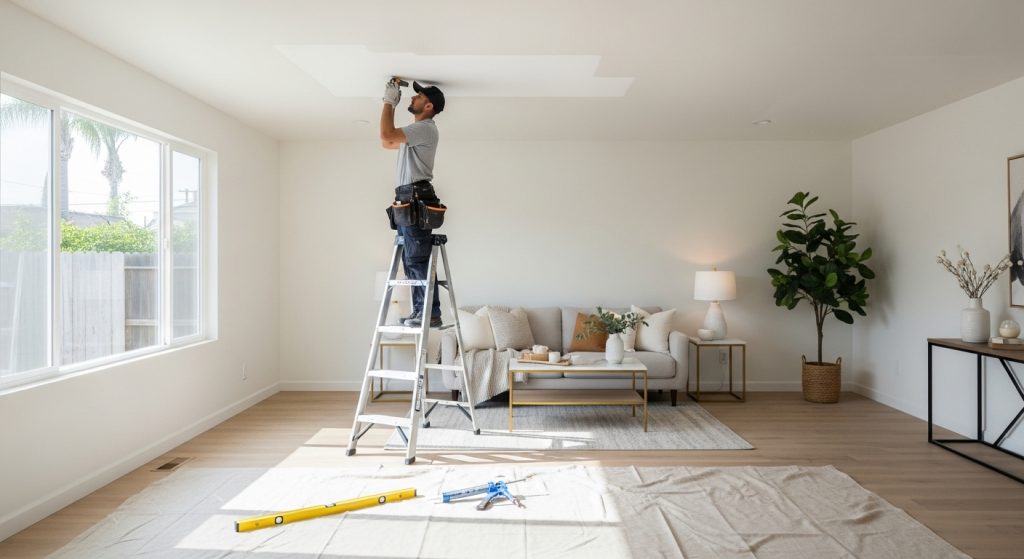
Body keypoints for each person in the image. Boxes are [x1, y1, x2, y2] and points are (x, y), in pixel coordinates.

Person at [380, 79, 446, 328]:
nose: (412, 98)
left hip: (415, 195)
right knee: (412, 259)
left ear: (428, 106)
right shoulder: (416, 132)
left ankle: (429, 313)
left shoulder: (426, 128)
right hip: (408, 195)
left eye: (417, 97)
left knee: (417, 259)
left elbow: (386, 135)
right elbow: (387, 141)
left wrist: (389, 101)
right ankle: (424, 311)